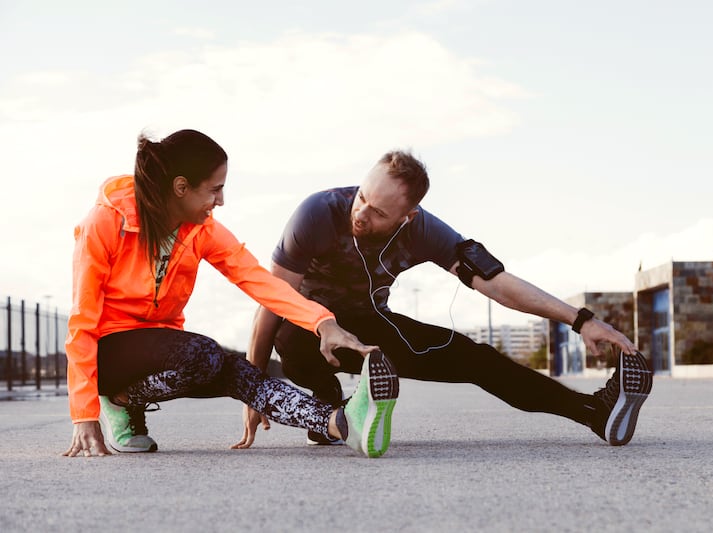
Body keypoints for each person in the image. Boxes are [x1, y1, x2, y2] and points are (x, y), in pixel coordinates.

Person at [236, 150, 652, 450]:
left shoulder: (425, 231)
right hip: (309, 332)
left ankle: (594, 413)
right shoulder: (318, 213)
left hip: (372, 331)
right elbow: (273, 299)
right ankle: (330, 408)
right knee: (290, 336)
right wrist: (253, 391)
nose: (361, 214)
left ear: (407, 215)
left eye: (379, 212)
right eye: (362, 198)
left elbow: (498, 284)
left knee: (478, 360)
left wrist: (580, 320)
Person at [63, 129, 400, 459]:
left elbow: (257, 280)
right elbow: (82, 322)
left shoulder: (200, 229)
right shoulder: (106, 222)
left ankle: (341, 422)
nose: (220, 200)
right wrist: (84, 415)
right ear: (181, 187)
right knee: (203, 354)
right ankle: (119, 400)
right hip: (108, 351)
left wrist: (322, 322)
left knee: (237, 371)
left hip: (162, 348)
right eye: (215, 189)